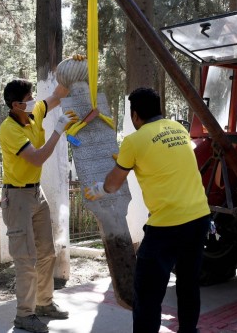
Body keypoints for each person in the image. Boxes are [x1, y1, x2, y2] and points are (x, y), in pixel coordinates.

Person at [84, 87, 211, 333]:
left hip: (167, 225)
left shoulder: (134, 141)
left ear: (135, 116)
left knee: (147, 292)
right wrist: (128, 158)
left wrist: (101, 188)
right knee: (188, 283)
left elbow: (113, 183)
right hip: (199, 217)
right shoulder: (179, 130)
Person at [0, 78, 78, 333]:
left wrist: (72, 69)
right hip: (17, 198)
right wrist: (58, 130)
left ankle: (44, 303)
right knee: (26, 259)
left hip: (36, 194)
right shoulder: (9, 129)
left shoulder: (33, 113)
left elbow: (57, 95)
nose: (34, 100)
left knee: (47, 252)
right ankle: (24, 314)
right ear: (16, 105)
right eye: (29, 97)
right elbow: (36, 158)